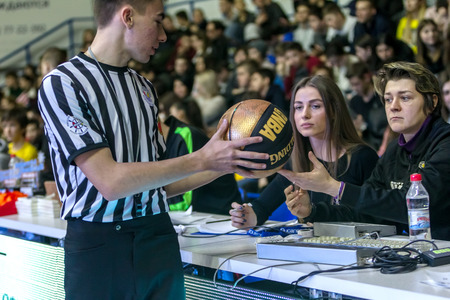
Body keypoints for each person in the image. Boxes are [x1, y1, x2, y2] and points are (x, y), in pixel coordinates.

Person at [37, 0, 269, 299]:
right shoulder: (63, 83)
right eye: (158, 21)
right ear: (128, 16)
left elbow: (157, 184)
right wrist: (201, 158)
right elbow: (111, 181)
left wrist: (222, 164)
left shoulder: (144, 88)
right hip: (99, 244)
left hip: (157, 236)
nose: (163, 36)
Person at [279, 62, 450, 241]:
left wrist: (333, 187)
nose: (394, 106)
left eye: (405, 98)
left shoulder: (445, 144)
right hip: (414, 254)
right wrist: (311, 211)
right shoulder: (394, 149)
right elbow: (365, 212)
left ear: (432, 102)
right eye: (388, 99)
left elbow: (410, 206)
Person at [230, 75, 379, 228]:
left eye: (315, 106)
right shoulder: (295, 159)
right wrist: (248, 216)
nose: (304, 115)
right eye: (298, 107)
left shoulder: (362, 157)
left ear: (334, 111)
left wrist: (312, 212)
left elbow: (376, 217)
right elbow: (262, 207)